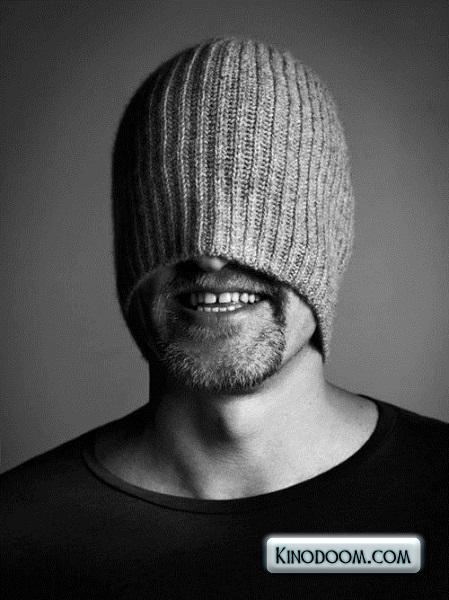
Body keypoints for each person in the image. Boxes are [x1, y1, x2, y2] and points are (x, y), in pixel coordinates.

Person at [1, 38, 447, 600]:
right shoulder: (16, 536)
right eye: (175, 201)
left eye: (261, 204)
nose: (212, 254)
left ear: (328, 238)